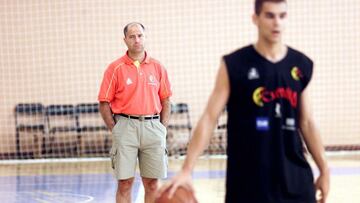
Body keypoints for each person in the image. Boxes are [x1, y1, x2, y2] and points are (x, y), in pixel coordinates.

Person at [157, 0, 330, 202]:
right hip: (249, 182)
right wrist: (187, 169)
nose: (277, 23)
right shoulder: (235, 64)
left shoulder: (300, 65)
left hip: (295, 180)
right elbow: (209, 118)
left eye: (282, 16)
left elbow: (307, 122)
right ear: (255, 19)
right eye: (270, 15)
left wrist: (324, 169)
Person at [98, 22, 172, 203]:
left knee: (152, 184)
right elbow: (104, 102)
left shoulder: (158, 67)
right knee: (125, 183)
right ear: (125, 40)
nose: (136, 40)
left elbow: (166, 100)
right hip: (125, 128)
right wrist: (115, 129)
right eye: (132, 36)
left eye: (139, 35)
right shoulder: (115, 68)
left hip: (153, 128)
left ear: (145, 37)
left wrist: (161, 128)